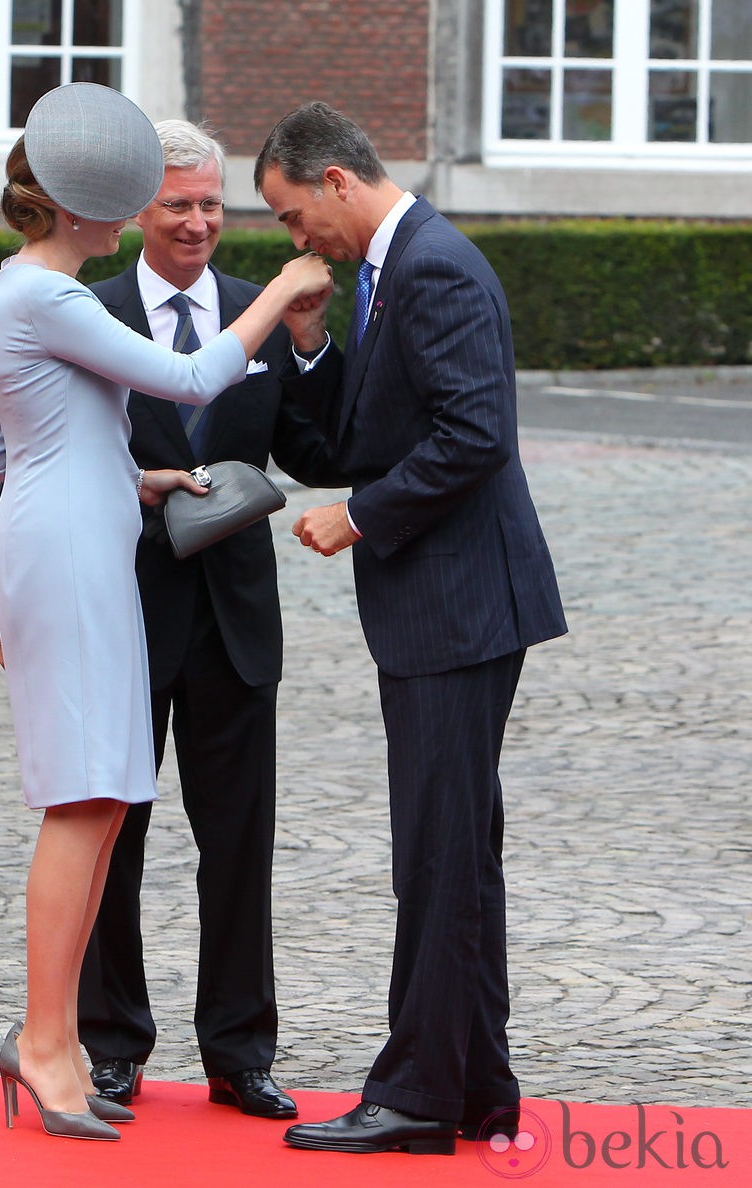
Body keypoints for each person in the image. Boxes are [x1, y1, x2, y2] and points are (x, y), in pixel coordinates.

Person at [0, 83, 331, 1141]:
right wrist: (276, 295)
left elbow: (13, 450)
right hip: (77, 559)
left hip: (82, 536)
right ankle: (47, 1041)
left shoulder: (25, 291)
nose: (177, 216)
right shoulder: (52, 296)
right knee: (84, 802)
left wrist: (129, 484)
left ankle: (56, 1041)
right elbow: (185, 380)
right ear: (99, 211)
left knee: (96, 795)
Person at [253, 102, 568, 1156]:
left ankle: (418, 1096)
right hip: (448, 603)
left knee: (435, 857)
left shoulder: (431, 264)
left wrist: (362, 515)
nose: (297, 241)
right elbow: (361, 432)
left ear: (336, 180)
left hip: (459, 604)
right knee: (457, 855)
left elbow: (475, 432)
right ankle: (476, 1085)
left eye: (294, 217)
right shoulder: (393, 267)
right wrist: (307, 340)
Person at [75, 120, 343, 1120]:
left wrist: (310, 341)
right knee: (113, 837)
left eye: (211, 206)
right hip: (123, 612)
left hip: (234, 620)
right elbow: (51, 461)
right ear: (140, 210)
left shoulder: (262, 315)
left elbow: (321, 450)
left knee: (239, 846)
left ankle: (239, 1052)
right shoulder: (87, 313)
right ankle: (110, 1044)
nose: (197, 223)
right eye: (177, 205)